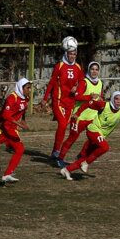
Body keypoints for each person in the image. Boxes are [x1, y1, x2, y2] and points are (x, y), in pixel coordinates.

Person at [59, 91, 120, 180]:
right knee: (105, 147)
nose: (118, 101)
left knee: (87, 156)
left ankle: (66, 170)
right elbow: (88, 103)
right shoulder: (103, 105)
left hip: (101, 134)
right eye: (116, 98)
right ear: (112, 99)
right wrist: (77, 113)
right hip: (93, 129)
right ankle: (86, 163)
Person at [42, 36, 83, 167]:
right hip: (58, 100)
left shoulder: (78, 67)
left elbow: (82, 82)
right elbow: (52, 83)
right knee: (62, 125)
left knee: (65, 127)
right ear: (66, 53)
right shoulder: (59, 66)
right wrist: (45, 98)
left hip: (70, 102)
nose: (73, 56)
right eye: (71, 53)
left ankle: (55, 152)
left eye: (74, 53)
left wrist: (77, 88)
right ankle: (57, 153)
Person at [56, 60, 104, 164]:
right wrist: (89, 96)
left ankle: (81, 155)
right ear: (89, 70)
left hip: (92, 117)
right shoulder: (84, 82)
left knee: (94, 138)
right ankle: (60, 158)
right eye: (92, 69)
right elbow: (77, 96)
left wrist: (101, 103)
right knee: (72, 138)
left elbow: (99, 97)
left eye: (96, 69)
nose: (94, 71)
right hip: (79, 117)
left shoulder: (100, 83)